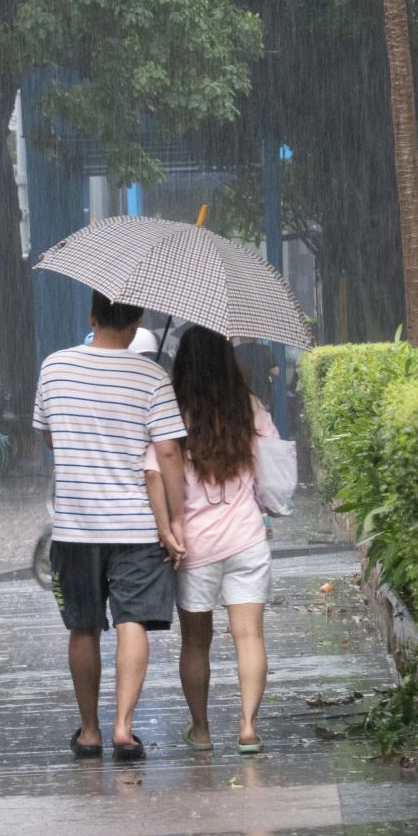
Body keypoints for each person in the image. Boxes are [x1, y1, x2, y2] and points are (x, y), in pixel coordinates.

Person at [33, 291, 187, 762]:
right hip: (138, 527)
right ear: (138, 319)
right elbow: (166, 453)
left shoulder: (55, 367)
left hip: (76, 527)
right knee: (131, 621)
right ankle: (124, 727)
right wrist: (177, 519)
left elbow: (48, 432)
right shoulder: (152, 376)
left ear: (91, 316)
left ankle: (89, 731)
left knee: (83, 628)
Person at [144, 326, 277, 755]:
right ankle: (248, 727)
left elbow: (152, 473)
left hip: (194, 545)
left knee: (195, 642)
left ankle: (200, 730)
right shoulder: (249, 408)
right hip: (247, 539)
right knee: (249, 637)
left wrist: (168, 525)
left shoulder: (173, 413)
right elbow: (272, 468)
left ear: (182, 365)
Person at [233, 337, 280, 413]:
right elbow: (276, 371)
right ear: (256, 338)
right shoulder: (265, 350)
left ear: (241, 338)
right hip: (262, 398)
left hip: (242, 398)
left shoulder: (235, 352)